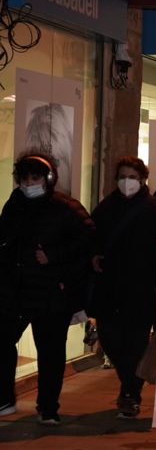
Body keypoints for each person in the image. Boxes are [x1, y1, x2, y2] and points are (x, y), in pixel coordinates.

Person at [0, 153, 94, 424]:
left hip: (51, 292)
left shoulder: (66, 207)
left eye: (36, 178)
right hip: (16, 291)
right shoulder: (15, 204)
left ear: (48, 179)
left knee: (50, 352)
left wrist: (53, 255)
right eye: (26, 178)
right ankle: (5, 398)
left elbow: (87, 239)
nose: (30, 183)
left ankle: (48, 406)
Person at [89, 156, 156, 420]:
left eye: (132, 177)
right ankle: (129, 383)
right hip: (110, 286)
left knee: (135, 342)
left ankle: (130, 394)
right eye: (123, 176)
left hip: (142, 287)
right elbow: (93, 239)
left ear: (143, 179)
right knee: (110, 338)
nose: (127, 182)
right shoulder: (104, 208)